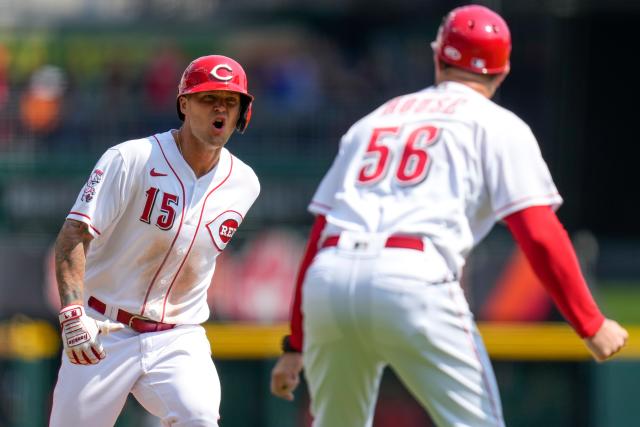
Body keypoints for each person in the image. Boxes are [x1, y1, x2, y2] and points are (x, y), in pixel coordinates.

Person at [270, 5, 628, 427]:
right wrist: (589, 322)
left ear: (438, 56)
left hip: (329, 277)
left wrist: (295, 343)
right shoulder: (498, 125)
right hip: (412, 277)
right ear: (503, 69)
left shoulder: (372, 122)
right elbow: (538, 231)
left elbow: (319, 234)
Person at [50, 54, 260, 427]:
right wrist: (71, 314)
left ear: (243, 112)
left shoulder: (245, 184)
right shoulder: (131, 158)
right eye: (209, 98)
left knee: (198, 416)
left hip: (178, 337)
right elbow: (73, 235)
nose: (220, 109)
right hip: (104, 326)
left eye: (230, 101)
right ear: (184, 104)